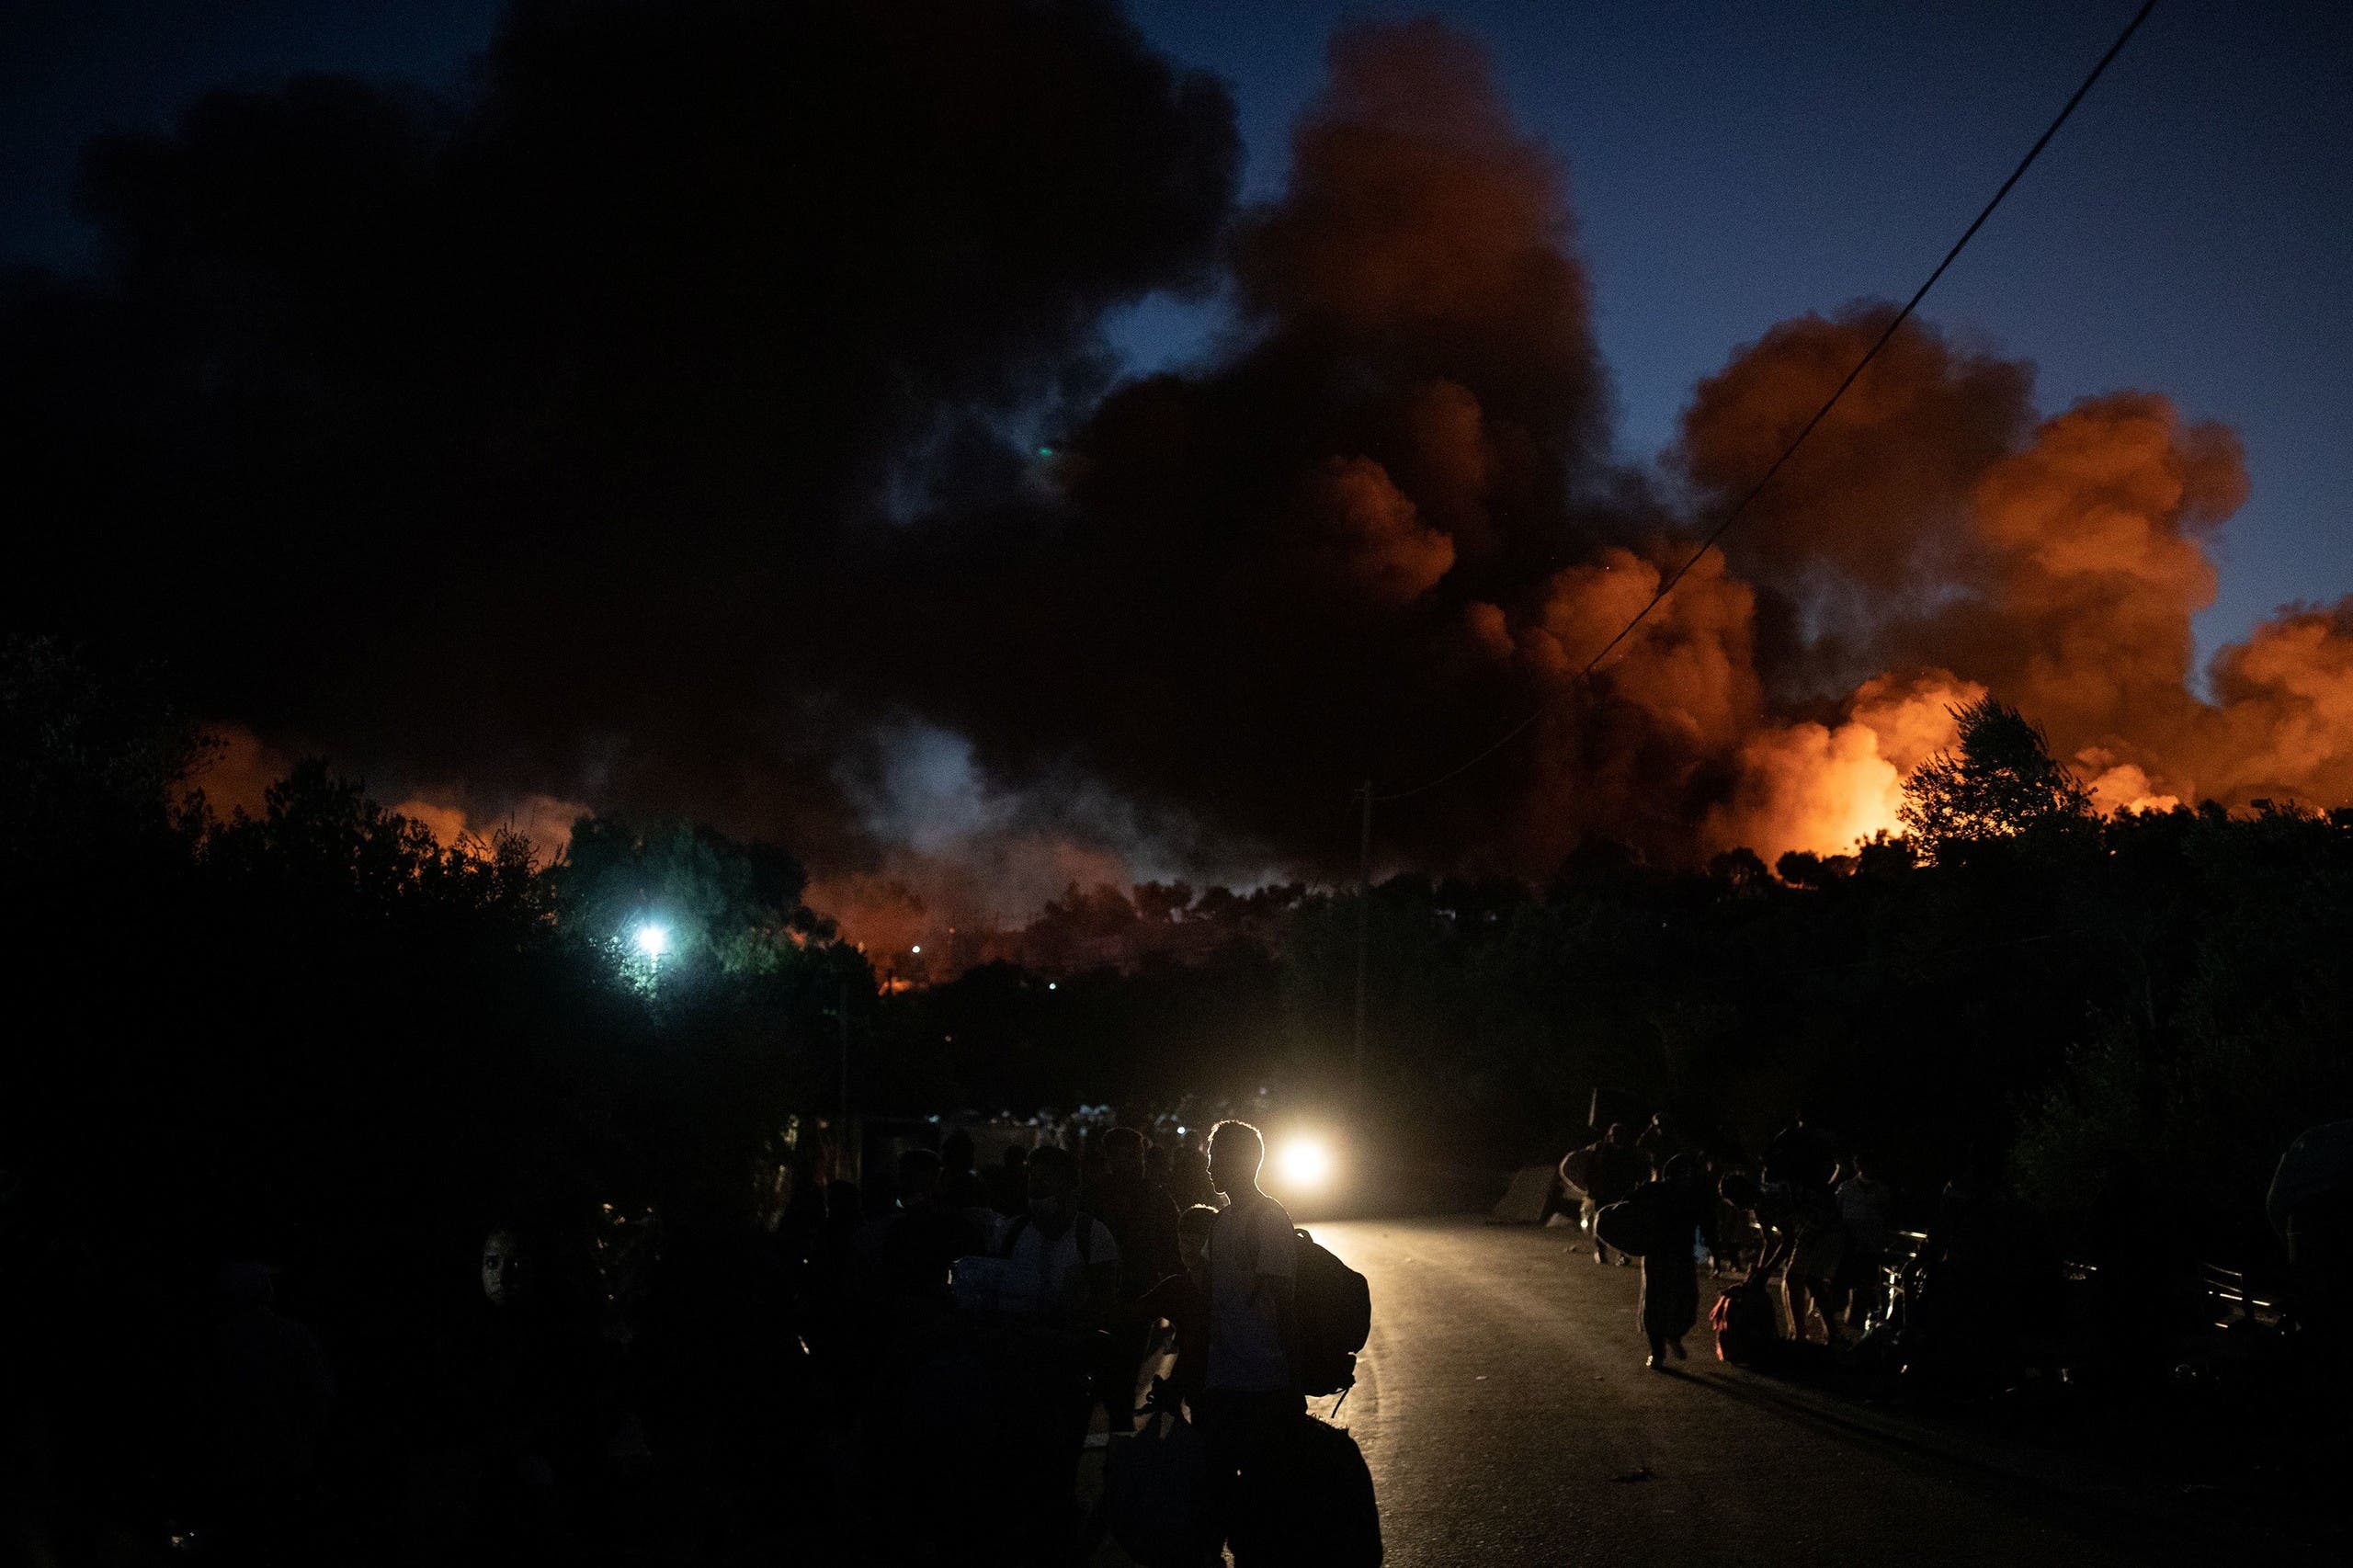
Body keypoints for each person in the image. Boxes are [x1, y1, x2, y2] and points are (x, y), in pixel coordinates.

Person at [1198, 1119, 1301, 1564]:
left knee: (1263, 1508)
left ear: (1243, 1161)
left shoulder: (1269, 1219)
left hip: (1265, 1387)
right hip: (1223, 1383)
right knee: (1220, 1498)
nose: (1208, 1167)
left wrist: (1293, 1383)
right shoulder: (1222, 1221)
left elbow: (1287, 1307)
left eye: (1216, 1156)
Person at [1085, 1126, 1183, 1433]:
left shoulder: (1155, 1198)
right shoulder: (1095, 1197)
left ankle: (1119, 1438)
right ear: (1111, 1158)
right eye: (1126, 1155)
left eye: (1137, 1155)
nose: (1133, 1162)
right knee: (1116, 1377)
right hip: (1104, 1297)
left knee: (1122, 1376)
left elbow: (1173, 1252)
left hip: (1136, 1299)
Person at [1632, 1155, 1718, 1368]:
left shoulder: (1693, 1197)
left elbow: (1708, 1226)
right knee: (1655, 1303)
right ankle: (1657, 1352)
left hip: (1681, 1255)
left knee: (1686, 1302)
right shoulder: (1653, 1191)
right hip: (1656, 1254)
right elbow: (1627, 1210)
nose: (1685, 1177)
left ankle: (1674, 1336)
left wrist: (1715, 1254)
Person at [1563, 1122, 1646, 1266]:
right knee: (1600, 1222)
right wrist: (1590, 1188)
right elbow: (1590, 1169)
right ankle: (1601, 1251)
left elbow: (1637, 1171)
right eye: (1614, 1135)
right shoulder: (1600, 1150)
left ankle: (1622, 1254)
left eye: (1619, 1135)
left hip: (1623, 1193)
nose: (1616, 1138)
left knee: (1623, 1225)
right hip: (1604, 1192)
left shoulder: (1629, 1152)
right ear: (1609, 1135)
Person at [1834, 1156, 1895, 1332]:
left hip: (1872, 1244)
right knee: (1852, 1280)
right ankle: (1851, 1318)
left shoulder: (1881, 1190)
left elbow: (1886, 1213)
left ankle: (1862, 1318)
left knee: (1868, 1281)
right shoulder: (1846, 1188)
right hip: (1851, 1243)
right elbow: (1838, 1212)